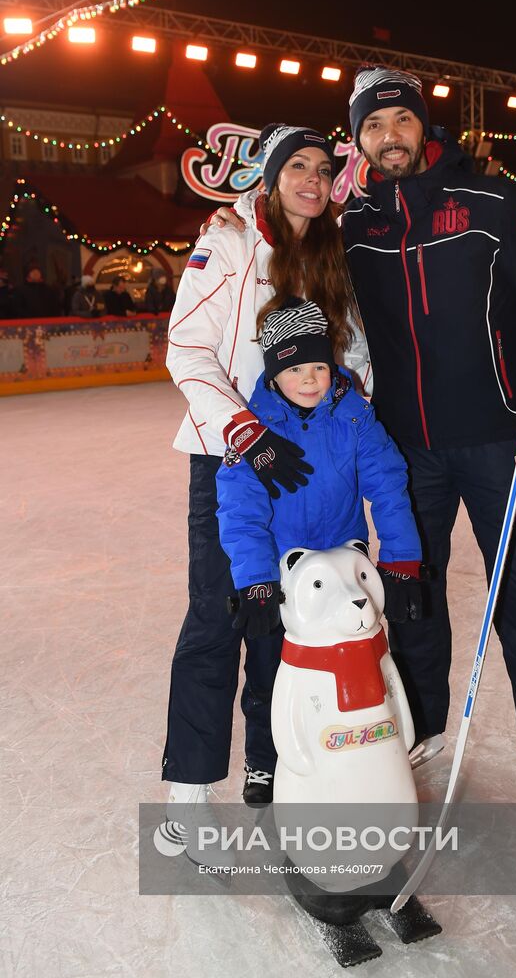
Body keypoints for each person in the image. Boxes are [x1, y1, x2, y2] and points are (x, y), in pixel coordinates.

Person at [209, 69, 516, 815]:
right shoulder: (356, 224)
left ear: (423, 126)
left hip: (495, 440)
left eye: (400, 121)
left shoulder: (492, 201)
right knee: (409, 594)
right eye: (373, 126)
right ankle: (414, 731)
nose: (389, 136)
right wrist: (230, 215)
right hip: (405, 448)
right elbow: (284, 233)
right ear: (357, 139)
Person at [160, 124, 369, 861]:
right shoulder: (229, 243)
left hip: (310, 471)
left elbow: (355, 356)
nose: (311, 179)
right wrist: (246, 433)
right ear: (272, 174)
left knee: (292, 626)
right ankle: (187, 801)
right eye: (298, 167)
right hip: (234, 460)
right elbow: (186, 346)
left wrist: (349, 426)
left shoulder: (332, 254)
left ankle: (280, 768)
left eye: (322, 168)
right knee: (218, 621)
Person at [216, 296, 422, 649]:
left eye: (318, 367)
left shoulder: (356, 419)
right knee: (273, 671)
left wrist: (400, 560)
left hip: (346, 572)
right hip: (282, 576)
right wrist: (256, 580)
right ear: (273, 375)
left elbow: (389, 488)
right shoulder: (255, 436)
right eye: (294, 369)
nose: (309, 380)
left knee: (357, 658)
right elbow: (241, 511)